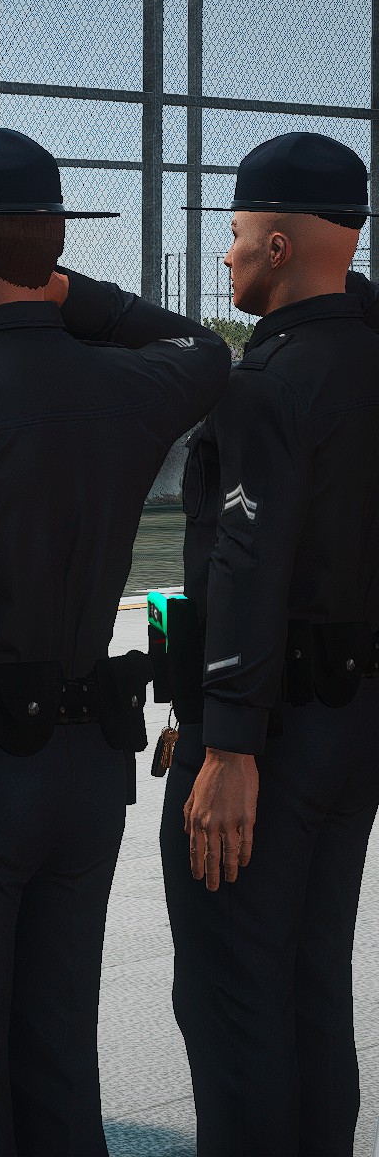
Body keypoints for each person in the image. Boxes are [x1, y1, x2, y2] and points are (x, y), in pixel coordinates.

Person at [0, 128, 229, 1155]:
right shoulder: (129, 388)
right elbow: (203, 351)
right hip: (81, 779)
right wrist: (67, 288)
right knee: (57, 1063)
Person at [160, 132, 379, 1157]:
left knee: (233, 997)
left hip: (271, 735)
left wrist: (225, 741)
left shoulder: (267, 383)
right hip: (353, 724)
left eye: (238, 233)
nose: (227, 254)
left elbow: (246, 564)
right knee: (310, 982)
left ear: (281, 245)